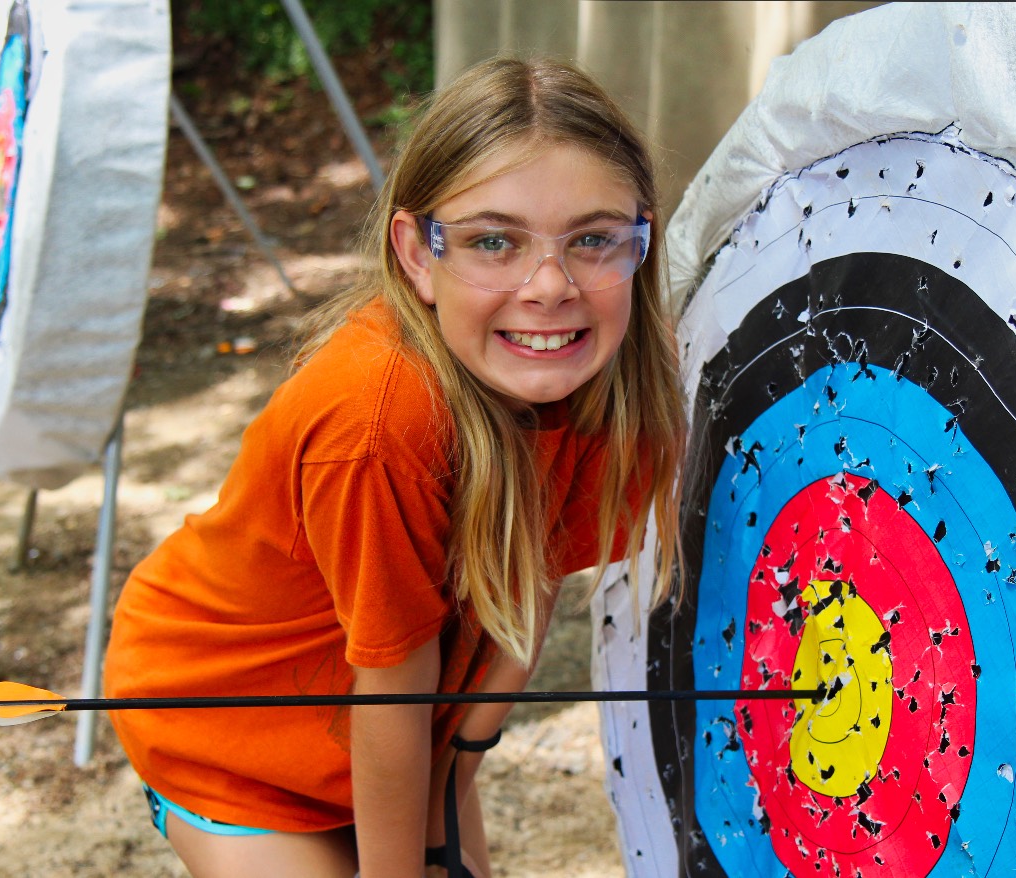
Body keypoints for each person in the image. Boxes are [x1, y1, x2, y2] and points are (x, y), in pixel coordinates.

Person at [103, 56, 686, 878]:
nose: (551, 286)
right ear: (416, 253)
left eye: (593, 239)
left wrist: (456, 777)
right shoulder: (378, 424)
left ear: (642, 241)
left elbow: (526, 587)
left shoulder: (609, 376)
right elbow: (394, 691)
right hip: (230, 737)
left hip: (397, 732)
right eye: (495, 241)